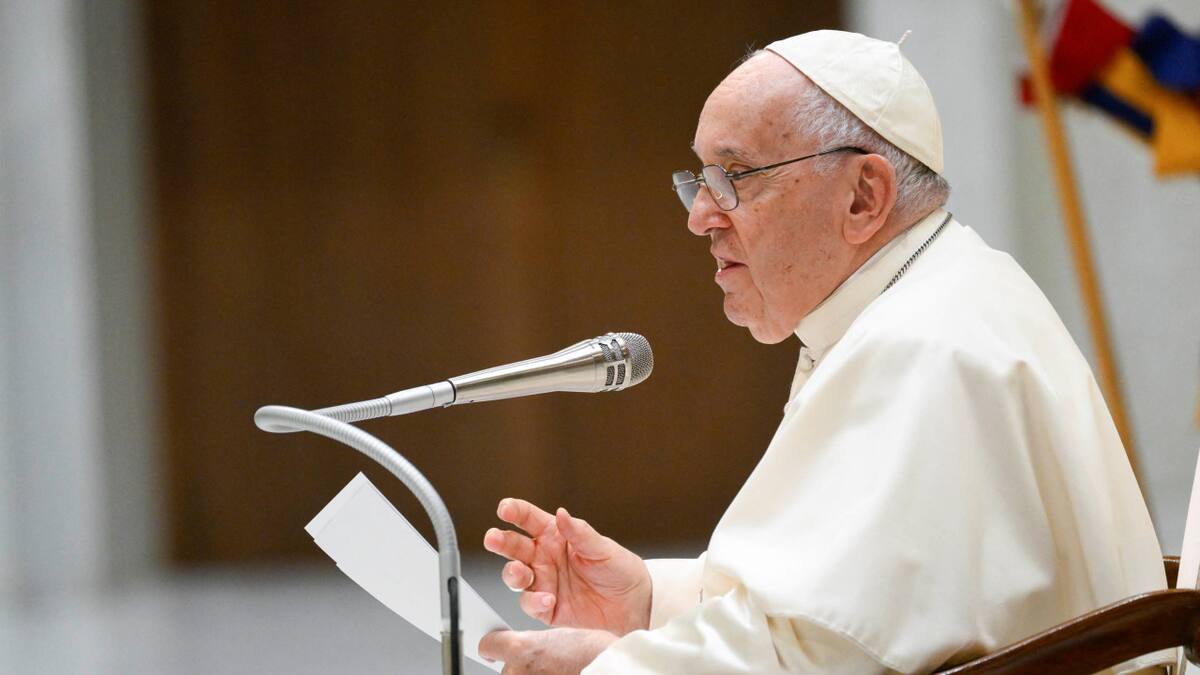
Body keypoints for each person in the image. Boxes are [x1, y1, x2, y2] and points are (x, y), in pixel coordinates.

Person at [477, 30, 1169, 674]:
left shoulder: (925, 347)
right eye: (699, 178)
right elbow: (848, 610)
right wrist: (649, 599)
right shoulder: (928, 300)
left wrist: (606, 664)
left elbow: (818, 655)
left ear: (864, 196)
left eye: (735, 176)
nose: (700, 215)